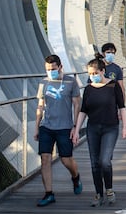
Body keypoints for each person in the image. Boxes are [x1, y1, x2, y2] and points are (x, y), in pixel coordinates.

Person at [73, 55, 126, 206]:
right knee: (94, 163)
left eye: (95, 73)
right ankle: (99, 193)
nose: (93, 77)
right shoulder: (89, 89)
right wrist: (77, 130)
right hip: (93, 128)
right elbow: (83, 111)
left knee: (105, 161)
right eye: (90, 74)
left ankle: (109, 189)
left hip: (110, 127)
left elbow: (122, 107)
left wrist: (125, 126)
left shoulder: (113, 86)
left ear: (102, 71)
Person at [34, 54, 82, 207]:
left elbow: (77, 105)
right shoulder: (43, 83)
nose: (50, 72)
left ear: (60, 67)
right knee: (45, 158)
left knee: (65, 158)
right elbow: (40, 105)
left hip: (64, 126)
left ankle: (75, 177)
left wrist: (75, 127)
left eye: (53, 69)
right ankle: (49, 193)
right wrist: (36, 127)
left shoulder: (70, 82)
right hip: (46, 126)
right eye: (48, 69)